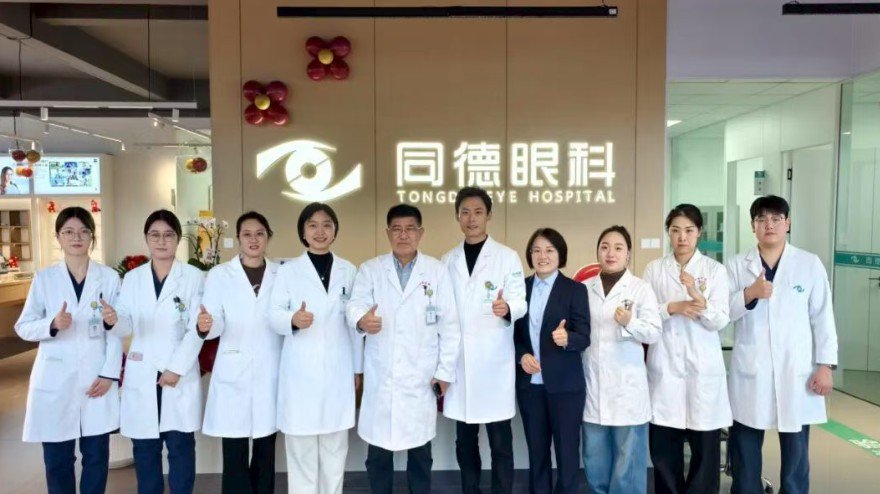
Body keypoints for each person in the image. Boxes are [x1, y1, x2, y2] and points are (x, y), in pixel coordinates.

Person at [725, 195, 838, 494]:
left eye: (776, 219)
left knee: (796, 451)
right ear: (752, 226)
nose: (769, 225)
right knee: (745, 448)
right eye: (761, 219)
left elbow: (823, 317)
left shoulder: (809, 264)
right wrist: (749, 293)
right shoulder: (736, 265)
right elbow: (722, 314)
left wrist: (825, 366)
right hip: (752, 370)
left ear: (787, 223)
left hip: (796, 369)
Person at [346, 204, 460, 494]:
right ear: (388, 233)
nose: (403, 235)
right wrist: (362, 319)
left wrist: (445, 372)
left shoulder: (436, 271)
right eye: (396, 229)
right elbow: (355, 304)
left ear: (420, 233)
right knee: (378, 455)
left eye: (410, 229)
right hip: (382, 374)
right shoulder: (371, 269)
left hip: (421, 376)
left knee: (420, 454)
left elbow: (449, 326)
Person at [15, 206, 122, 494]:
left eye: (84, 231)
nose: (77, 237)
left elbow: (116, 331)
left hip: (96, 379)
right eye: (69, 231)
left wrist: (109, 374)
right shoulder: (44, 279)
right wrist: (51, 324)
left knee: (96, 458)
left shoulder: (109, 278)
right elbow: (23, 326)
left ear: (92, 236)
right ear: (58, 237)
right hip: (55, 380)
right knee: (58, 461)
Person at [103, 209, 205, 494]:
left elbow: (197, 327)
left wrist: (176, 368)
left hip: (178, 372)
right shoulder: (133, 278)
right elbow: (125, 324)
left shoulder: (194, 277)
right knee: (145, 451)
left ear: (178, 239)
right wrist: (113, 319)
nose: (161, 241)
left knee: (181, 448)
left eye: (168, 235)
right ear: (146, 239)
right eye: (155, 235)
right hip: (143, 371)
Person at [269, 203, 362, 494]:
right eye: (312, 225)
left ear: (335, 231)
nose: (320, 231)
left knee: (335, 452)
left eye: (326, 225)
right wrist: (292, 320)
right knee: (302, 452)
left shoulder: (349, 270)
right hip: (301, 372)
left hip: (338, 370)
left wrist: (358, 369)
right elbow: (273, 315)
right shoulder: (288, 272)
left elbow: (355, 324)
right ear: (303, 232)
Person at [440, 187, 527, 494]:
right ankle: (470, 489)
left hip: (493, 362)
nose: (471, 218)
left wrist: (508, 308)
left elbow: (520, 300)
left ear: (489, 215)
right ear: (457, 216)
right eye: (465, 212)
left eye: (478, 212)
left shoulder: (507, 257)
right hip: (460, 363)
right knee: (464, 441)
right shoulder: (447, 260)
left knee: (501, 441)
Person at [643, 204, 731, 494]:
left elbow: (720, 320)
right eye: (676, 230)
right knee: (664, 449)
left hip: (702, 371)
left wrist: (699, 299)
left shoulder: (715, 271)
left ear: (699, 233)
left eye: (689, 230)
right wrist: (673, 307)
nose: (682, 237)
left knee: (705, 452)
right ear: (668, 233)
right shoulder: (654, 269)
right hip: (665, 368)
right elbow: (646, 315)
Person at [196, 211, 282, 494]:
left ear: (268, 237)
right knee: (234, 451)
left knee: (266, 450)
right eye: (247, 234)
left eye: (259, 234)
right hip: (233, 368)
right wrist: (207, 325)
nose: (253, 240)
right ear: (238, 239)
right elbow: (215, 321)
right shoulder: (220, 275)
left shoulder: (281, 274)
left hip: (270, 367)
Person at [582, 225, 661, 494]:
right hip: (593, 389)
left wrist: (630, 322)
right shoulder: (584, 288)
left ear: (628, 254)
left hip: (628, 390)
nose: (610, 253)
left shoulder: (640, 288)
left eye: (618, 248)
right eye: (604, 247)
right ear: (597, 252)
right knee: (595, 462)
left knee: (628, 465)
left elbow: (654, 332)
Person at [513, 228, 590, 494]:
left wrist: (568, 338)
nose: (542, 256)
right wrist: (521, 355)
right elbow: (511, 335)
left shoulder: (575, 290)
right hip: (530, 386)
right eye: (536, 250)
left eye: (549, 250)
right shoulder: (520, 289)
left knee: (567, 454)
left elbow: (584, 336)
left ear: (560, 254)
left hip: (565, 387)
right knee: (537, 454)